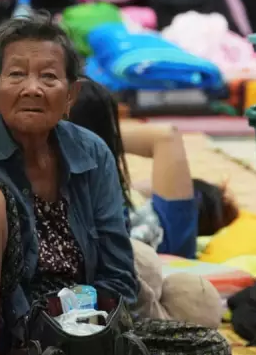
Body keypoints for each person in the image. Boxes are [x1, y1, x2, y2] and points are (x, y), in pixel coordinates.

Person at [0, 15, 230, 355]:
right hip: (1, 326)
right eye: (16, 74)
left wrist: (98, 338)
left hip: (78, 322)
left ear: (71, 94)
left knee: (208, 350)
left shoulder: (92, 153)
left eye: (49, 77)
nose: (32, 88)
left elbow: (116, 267)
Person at [68, 78, 237, 257]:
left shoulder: (167, 236)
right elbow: (165, 137)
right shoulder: (154, 227)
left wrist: (88, 134)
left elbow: (166, 136)